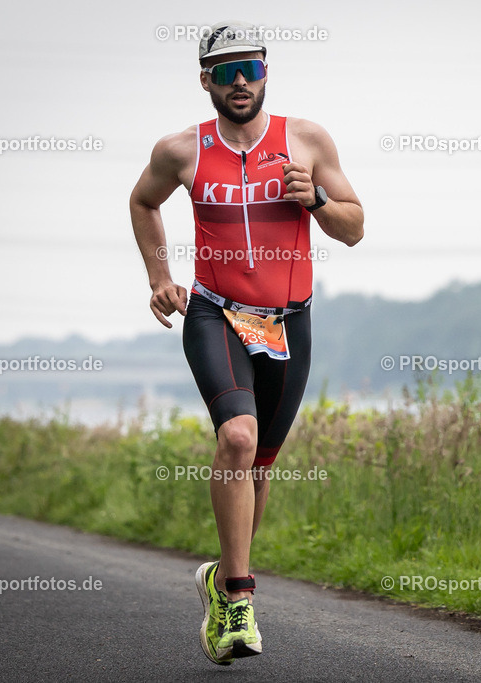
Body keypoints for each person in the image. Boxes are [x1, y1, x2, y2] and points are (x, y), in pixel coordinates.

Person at [129, 20, 363, 665]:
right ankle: (238, 596)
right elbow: (143, 202)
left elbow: (354, 229)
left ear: (266, 73)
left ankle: (219, 576)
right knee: (236, 437)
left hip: (289, 321)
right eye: (226, 71)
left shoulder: (307, 140)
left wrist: (314, 197)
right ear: (205, 79)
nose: (240, 82)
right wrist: (160, 279)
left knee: (260, 465)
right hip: (216, 314)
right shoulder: (179, 151)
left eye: (250, 68)